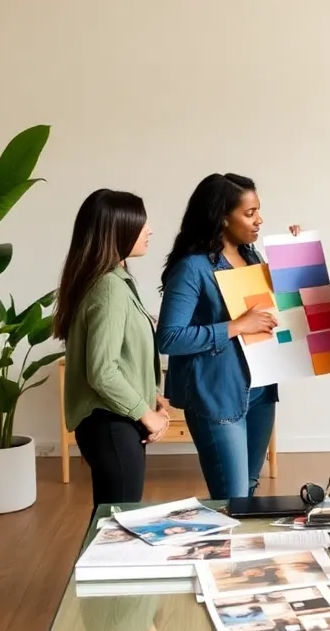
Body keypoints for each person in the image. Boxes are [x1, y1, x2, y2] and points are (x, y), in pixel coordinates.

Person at [157, 173, 298, 499]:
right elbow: (169, 338)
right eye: (250, 213)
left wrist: (295, 252)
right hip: (217, 394)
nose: (259, 220)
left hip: (260, 390)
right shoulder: (192, 268)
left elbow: (280, 308)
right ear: (222, 217)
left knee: (248, 488)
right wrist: (236, 326)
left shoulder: (252, 257)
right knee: (232, 496)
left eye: (258, 210)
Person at [54, 189, 169, 514]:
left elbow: (123, 356)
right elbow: (103, 371)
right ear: (116, 231)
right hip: (111, 425)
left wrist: (152, 396)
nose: (149, 230)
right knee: (116, 523)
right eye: (140, 223)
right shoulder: (109, 288)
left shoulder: (113, 282)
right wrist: (146, 414)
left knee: (112, 520)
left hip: (114, 423)